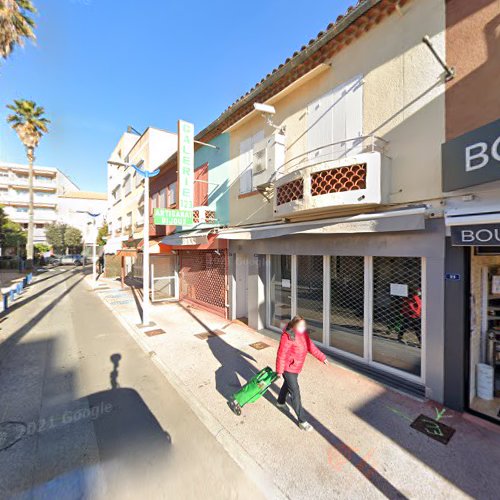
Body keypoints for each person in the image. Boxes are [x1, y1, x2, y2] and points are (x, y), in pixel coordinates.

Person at [275, 315, 328, 431]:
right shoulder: (288, 336)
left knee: (287, 385)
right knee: (295, 393)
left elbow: (311, 347)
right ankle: (302, 421)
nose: (303, 327)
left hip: (296, 367)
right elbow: (281, 354)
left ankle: (280, 402)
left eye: (304, 325)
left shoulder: (303, 335)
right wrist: (279, 371)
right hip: (288, 368)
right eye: (300, 325)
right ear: (293, 325)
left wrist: (322, 358)